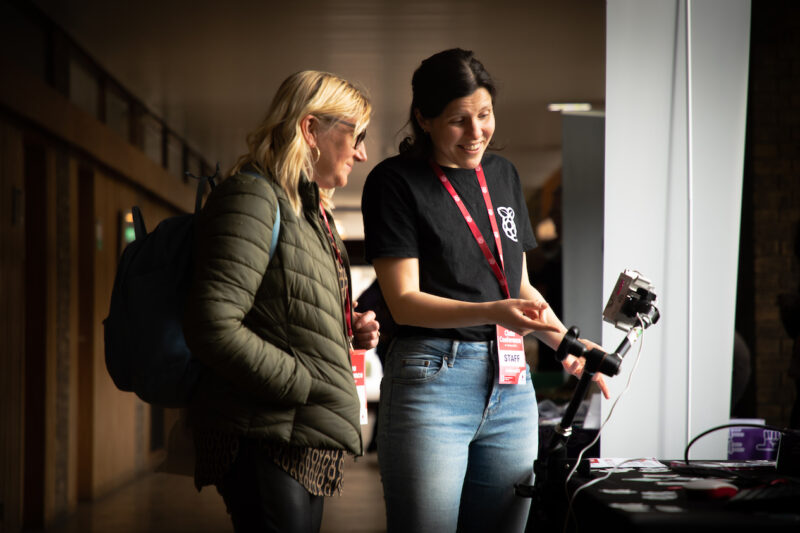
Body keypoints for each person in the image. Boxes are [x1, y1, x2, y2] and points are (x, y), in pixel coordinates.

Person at [361, 48, 609, 533]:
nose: (476, 133)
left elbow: (517, 285)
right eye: (458, 120)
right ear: (424, 118)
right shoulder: (394, 182)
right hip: (432, 378)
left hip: (510, 385)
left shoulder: (503, 175)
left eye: (484, 115)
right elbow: (403, 302)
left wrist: (569, 345)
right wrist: (496, 311)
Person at [183, 70, 379, 533]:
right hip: (264, 434)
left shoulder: (308, 211)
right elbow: (212, 322)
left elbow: (281, 306)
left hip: (295, 434)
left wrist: (342, 325)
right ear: (310, 130)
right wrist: (300, 381)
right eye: (355, 134)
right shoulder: (253, 197)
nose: (362, 152)